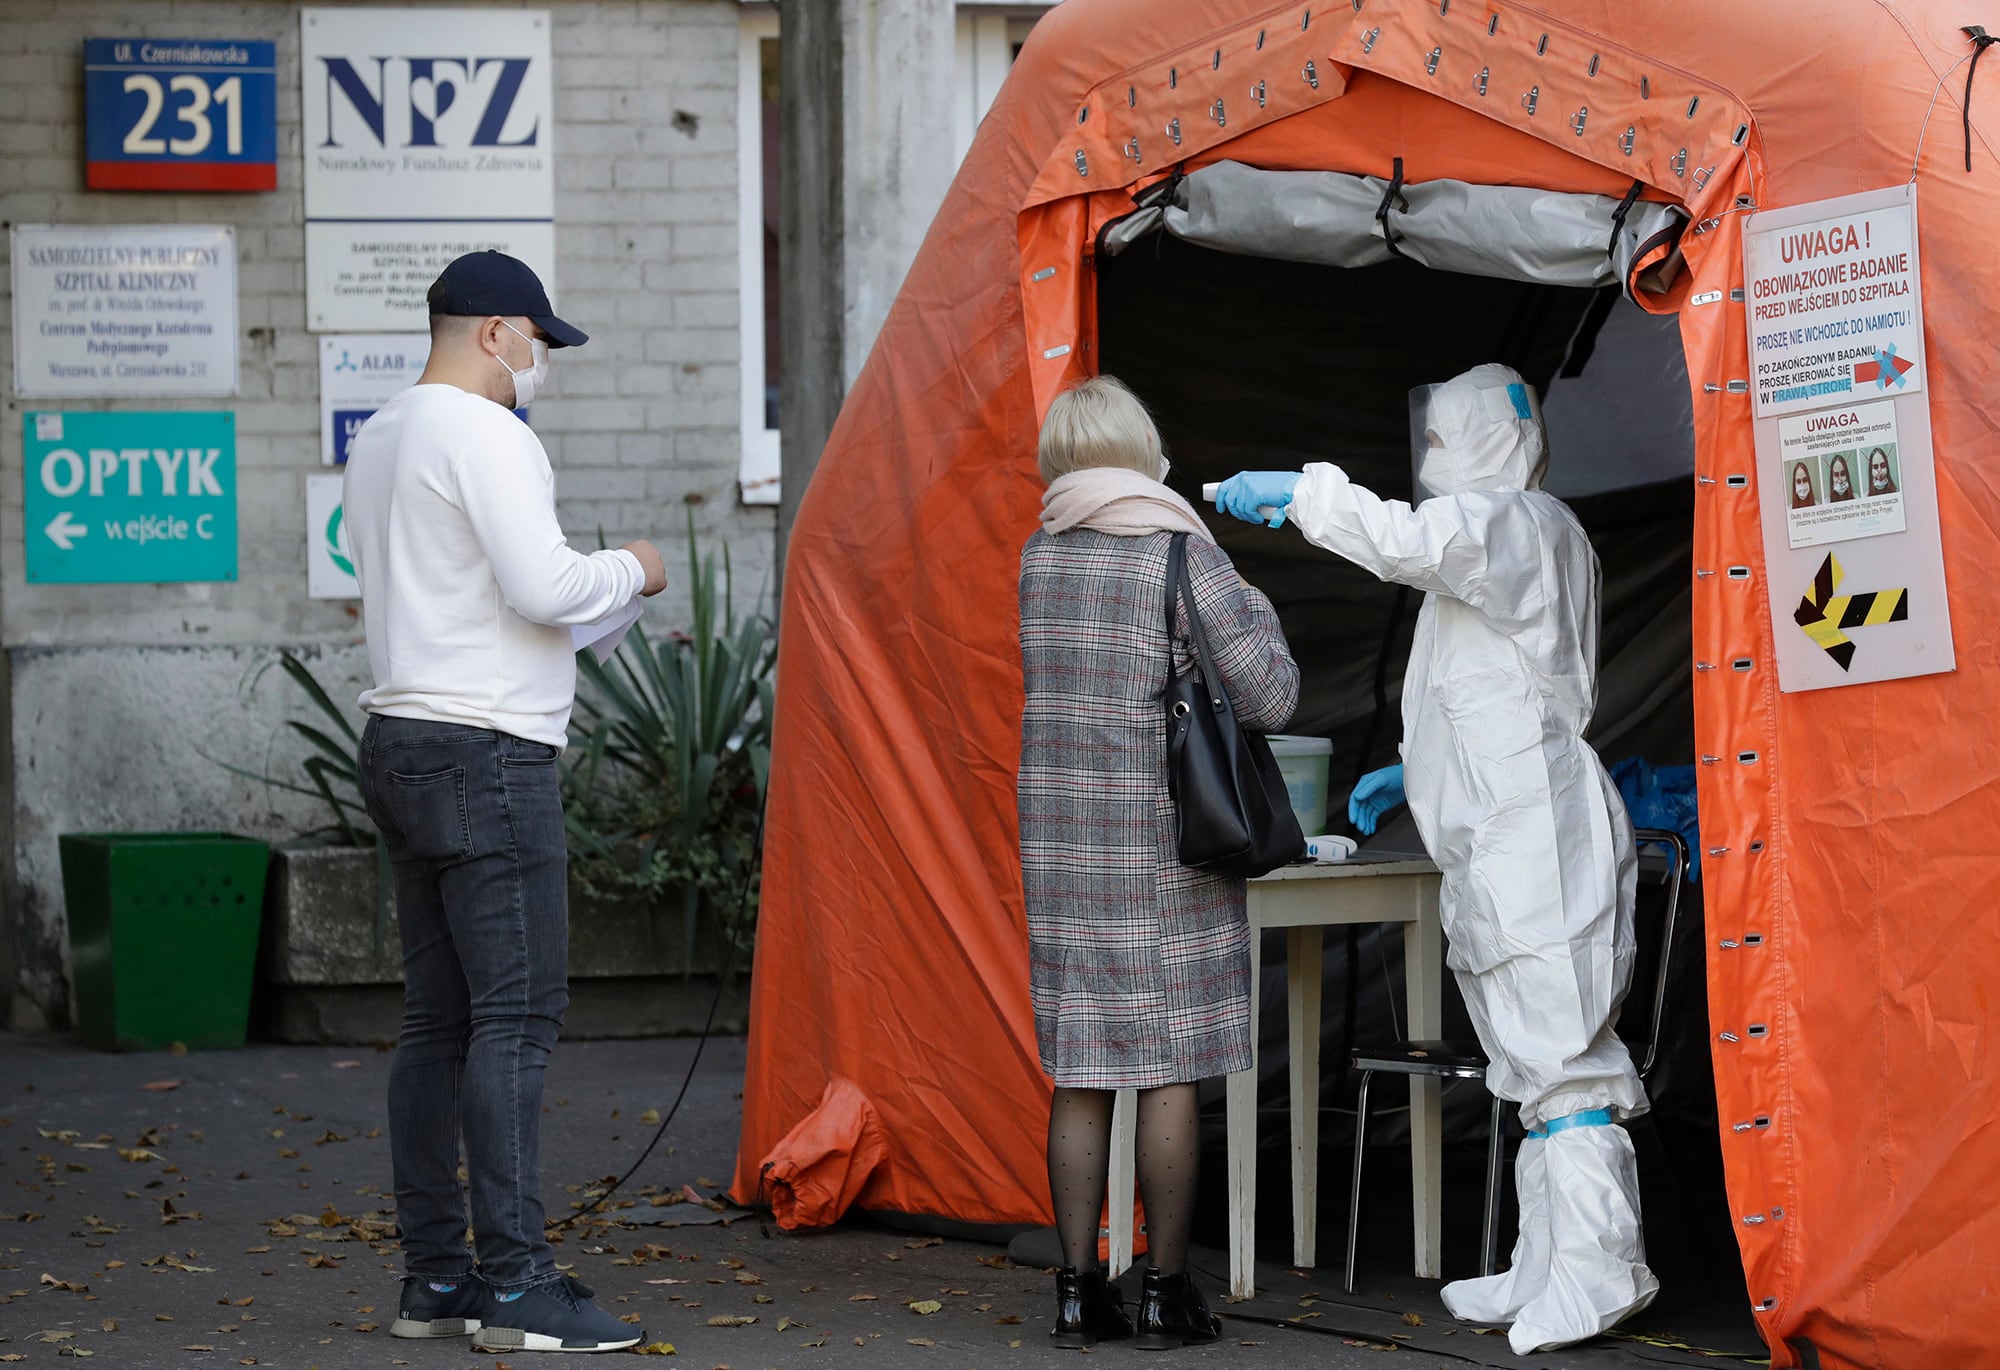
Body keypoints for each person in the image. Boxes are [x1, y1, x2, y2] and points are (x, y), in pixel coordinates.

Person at [1215, 363, 1656, 1355]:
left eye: (1443, 439)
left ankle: (1597, 1266)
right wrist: (1411, 771)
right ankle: (1547, 1260)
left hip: (1537, 836)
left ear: (1488, 440)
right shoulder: (1504, 539)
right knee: (1524, 1057)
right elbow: (1485, 674)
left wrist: (1308, 492)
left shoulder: (1519, 522)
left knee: (1561, 1059)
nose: (1428, 462)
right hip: (1499, 835)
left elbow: (1418, 544)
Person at [343, 250, 667, 1355]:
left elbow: (478, 597)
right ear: (494, 332)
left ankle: (434, 1279)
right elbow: (545, 586)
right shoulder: (489, 434)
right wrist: (630, 565)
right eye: (539, 342)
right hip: (489, 752)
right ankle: (520, 1288)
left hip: (401, 737)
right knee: (515, 1024)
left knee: (437, 1022)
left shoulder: (382, 434)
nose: (543, 365)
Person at [1018, 376, 1299, 1351]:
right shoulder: (1182, 554)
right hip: (1163, 849)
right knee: (1170, 1067)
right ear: (1142, 449)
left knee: (1081, 1070)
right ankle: (1163, 1293)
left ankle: (1074, 1292)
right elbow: (1269, 693)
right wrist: (1246, 589)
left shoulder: (1036, 556)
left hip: (1061, 849)